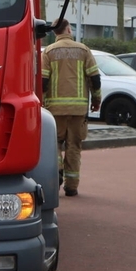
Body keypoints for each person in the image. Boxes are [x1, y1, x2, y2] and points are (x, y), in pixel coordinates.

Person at [41, 19, 101, 197]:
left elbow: (43, 82)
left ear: (54, 33)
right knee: (74, 146)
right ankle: (72, 186)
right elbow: (95, 78)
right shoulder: (83, 50)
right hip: (78, 110)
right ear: (68, 29)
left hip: (55, 110)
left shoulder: (49, 52)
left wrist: (43, 103)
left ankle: (57, 169)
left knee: (55, 144)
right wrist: (97, 99)